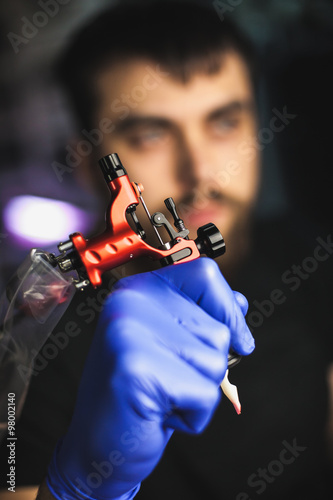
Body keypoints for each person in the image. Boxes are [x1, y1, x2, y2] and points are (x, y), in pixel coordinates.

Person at [1, 1, 333, 499]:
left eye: (224, 122)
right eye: (151, 134)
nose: (199, 172)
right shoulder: (36, 339)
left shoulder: (311, 262)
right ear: (88, 161)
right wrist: (77, 487)